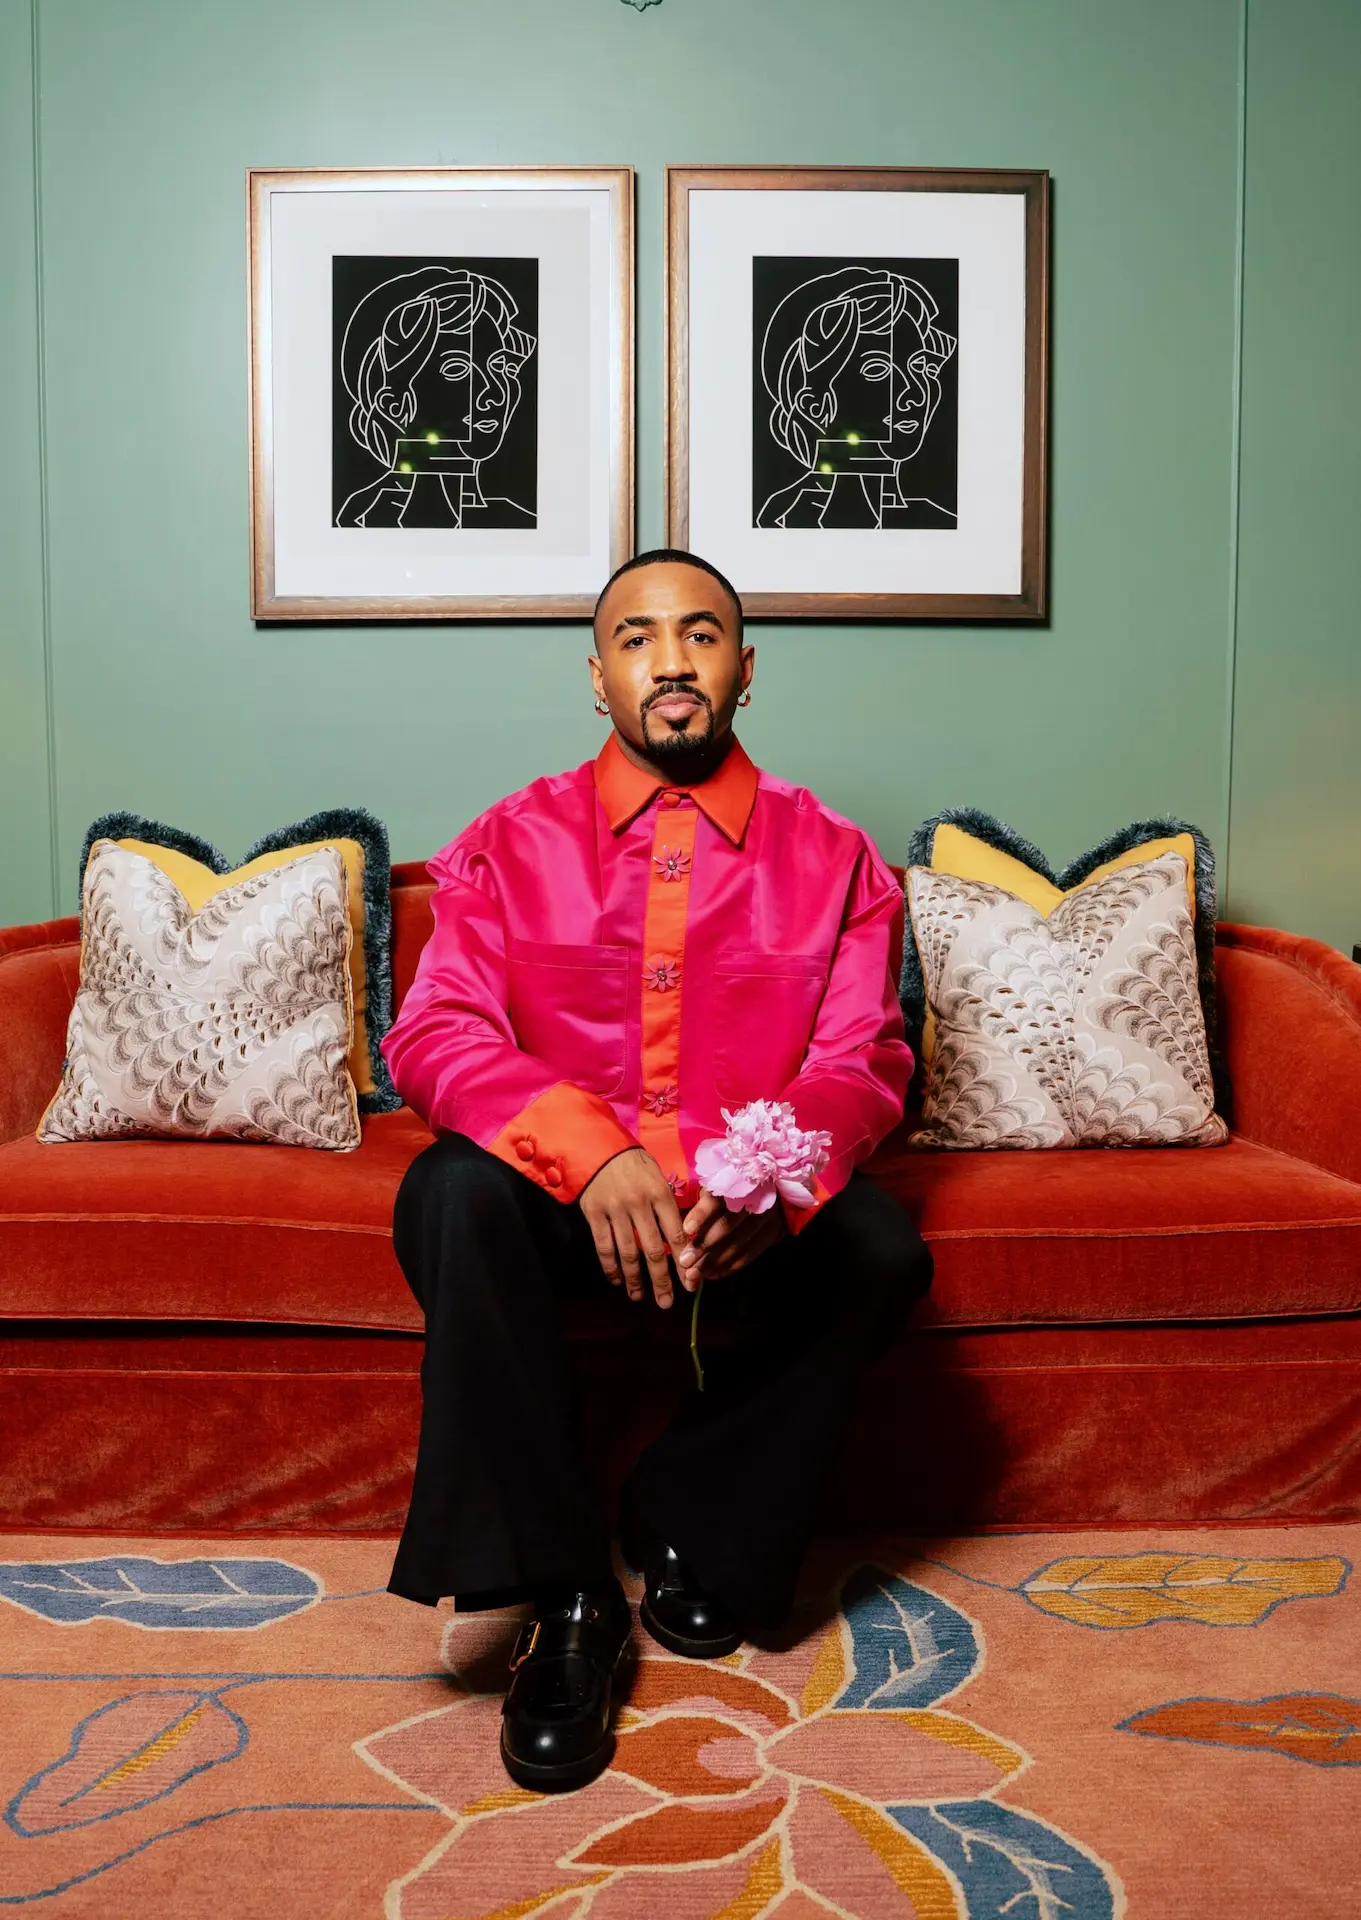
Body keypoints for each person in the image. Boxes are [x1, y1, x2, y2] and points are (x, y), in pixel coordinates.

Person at [381, 549, 932, 1792]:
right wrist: (588, 1152)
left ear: (745, 666)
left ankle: (689, 1517)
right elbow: (433, 1033)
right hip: (565, 1206)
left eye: (698, 636)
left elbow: (867, 1056)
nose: (670, 661)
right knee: (449, 1196)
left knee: (885, 1251)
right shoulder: (506, 843)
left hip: (735, 1217)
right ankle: (568, 1594)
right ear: (596, 678)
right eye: (636, 639)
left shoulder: (836, 859)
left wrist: (766, 1181)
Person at [335, 264, 536, 529]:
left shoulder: (522, 527)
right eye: (457, 369)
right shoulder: (359, 522)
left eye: (499, 366)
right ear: (393, 404)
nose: (495, 394)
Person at [756, 266, 958, 529]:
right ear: (814, 405)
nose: (916, 394)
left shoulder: (941, 526)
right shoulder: (778, 522)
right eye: (878, 370)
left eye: (920, 367)